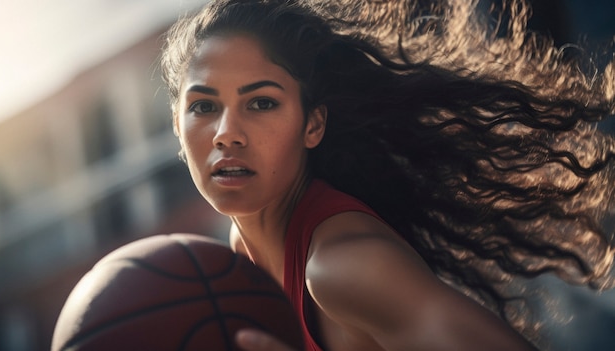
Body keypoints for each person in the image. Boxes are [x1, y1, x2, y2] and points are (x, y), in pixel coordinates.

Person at [160, 0, 615, 350]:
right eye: (203, 106)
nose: (226, 134)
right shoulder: (241, 257)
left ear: (312, 125)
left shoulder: (341, 267)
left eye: (261, 103)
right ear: (178, 127)